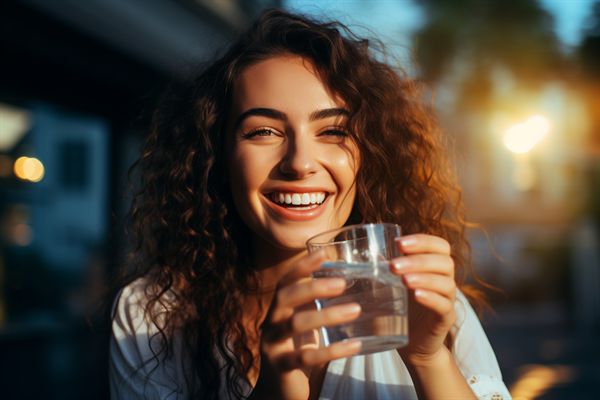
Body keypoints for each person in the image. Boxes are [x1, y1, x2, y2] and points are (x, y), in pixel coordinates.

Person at [109, 8, 511, 400]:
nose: (300, 162)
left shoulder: (427, 306)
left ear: (367, 154)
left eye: (333, 131)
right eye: (263, 131)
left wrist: (429, 359)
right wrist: (273, 389)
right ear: (217, 154)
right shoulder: (152, 314)